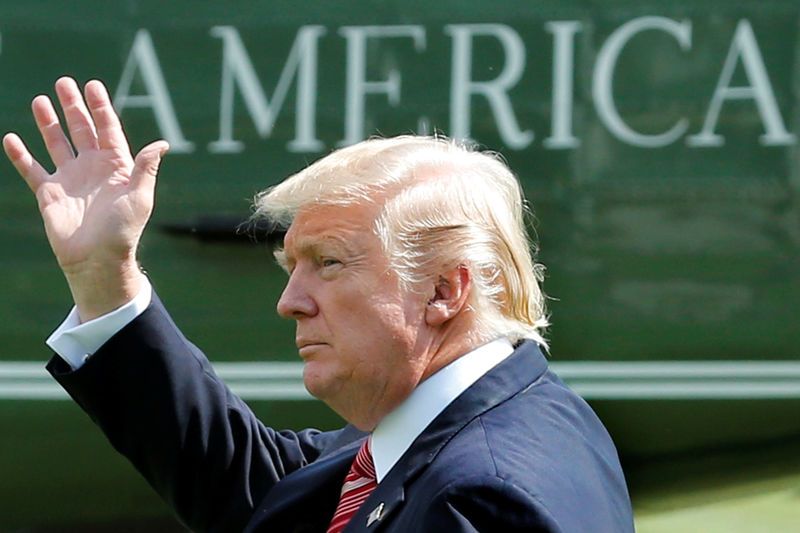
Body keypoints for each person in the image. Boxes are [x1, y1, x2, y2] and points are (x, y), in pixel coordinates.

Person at [4, 77, 635, 533]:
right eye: (291, 266)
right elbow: (266, 496)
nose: (289, 303)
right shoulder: (479, 418)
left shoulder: (477, 495)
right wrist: (104, 278)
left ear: (445, 290)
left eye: (328, 263)